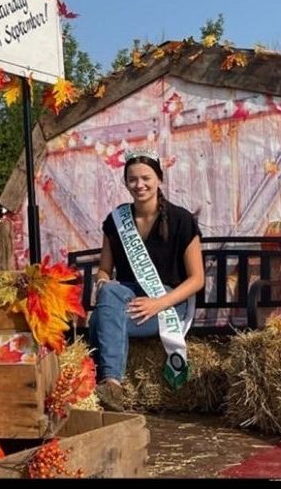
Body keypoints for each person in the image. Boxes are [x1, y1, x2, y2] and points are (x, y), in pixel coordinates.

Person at [89, 149, 205, 412]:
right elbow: (105, 270)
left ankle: (106, 382)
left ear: (159, 179)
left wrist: (158, 303)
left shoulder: (181, 220)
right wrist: (102, 283)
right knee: (109, 293)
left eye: (146, 178)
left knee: (99, 321)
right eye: (132, 179)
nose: (139, 185)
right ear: (125, 183)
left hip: (169, 302)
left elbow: (197, 279)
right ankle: (112, 384)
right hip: (128, 301)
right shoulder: (116, 221)